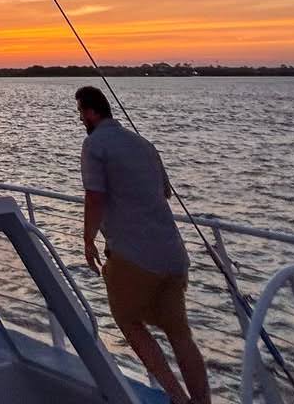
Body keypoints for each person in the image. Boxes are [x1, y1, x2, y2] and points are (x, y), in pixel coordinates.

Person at [76, 86, 210, 404]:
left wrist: (88, 239)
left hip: (133, 256)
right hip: (172, 255)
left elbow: (95, 197)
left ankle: (177, 397)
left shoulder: (94, 145)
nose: (81, 118)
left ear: (92, 112)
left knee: (128, 320)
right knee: (181, 335)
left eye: (81, 112)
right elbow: (164, 192)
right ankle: (202, 402)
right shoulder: (144, 145)